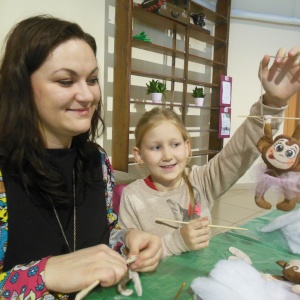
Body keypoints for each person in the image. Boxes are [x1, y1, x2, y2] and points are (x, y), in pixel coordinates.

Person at [0, 15, 163, 299]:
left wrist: (127, 241)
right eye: (66, 81)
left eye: (92, 79)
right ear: (21, 86)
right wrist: (45, 273)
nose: (87, 95)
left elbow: (104, 231)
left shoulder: (96, 162)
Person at [118, 47, 300, 257]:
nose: (167, 155)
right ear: (139, 154)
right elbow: (130, 256)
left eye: (175, 144)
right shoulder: (132, 196)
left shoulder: (201, 180)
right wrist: (176, 242)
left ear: (187, 148)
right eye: (156, 147)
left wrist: (273, 103)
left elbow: (242, 149)